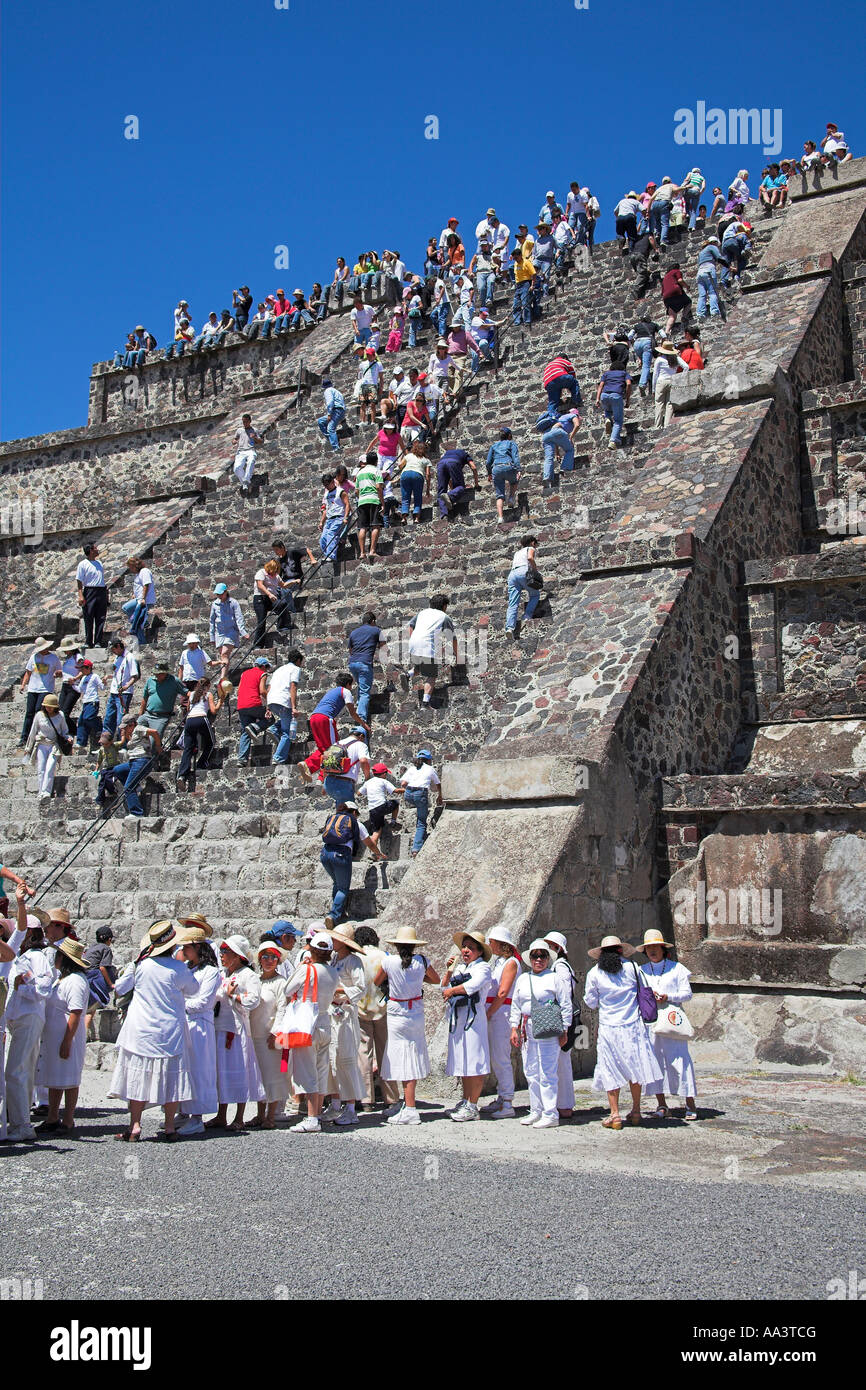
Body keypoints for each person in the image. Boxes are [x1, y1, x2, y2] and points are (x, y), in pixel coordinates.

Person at [109, 920, 200, 1141]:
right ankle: (169, 1126)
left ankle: (135, 1125)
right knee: (171, 1079)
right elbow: (194, 990)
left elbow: (120, 987)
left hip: (141, 1029)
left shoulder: (140, 965)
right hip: (168, 1030)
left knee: (137, 1078)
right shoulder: (178, 968)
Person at [583, 934, 663, 1129]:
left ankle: (615, 1114)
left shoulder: (595, 973)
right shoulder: (633, 968)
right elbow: (644, 992)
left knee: (610, 1069)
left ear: (601, 955)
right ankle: (636, 1111)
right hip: (633, 1026)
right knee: (636, 1068)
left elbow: (590, 1002)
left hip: (610, 1028)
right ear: (621, 950)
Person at [371, 925, 440, 1125]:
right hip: (415, 1011)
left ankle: (409, 1107)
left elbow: (377, 982)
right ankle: (409, 1104)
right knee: (412, 1054)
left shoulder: (389, 961)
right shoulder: (421, 961)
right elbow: (434, 979)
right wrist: (418, 979)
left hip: (397, 1012)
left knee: (401, 1057)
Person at [273, 931, 340, 1133]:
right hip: (324, 1020)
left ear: (312, 949)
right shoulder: (333, 972)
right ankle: (316, 1113)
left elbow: (287, 989)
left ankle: (311, 1118)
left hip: (306, 1022)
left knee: (306, 1071)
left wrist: (302, 967)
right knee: (320, 1070)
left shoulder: (308, 970)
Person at [508, 938, 572, 1128]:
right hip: (527, 1028)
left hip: (548, 1027)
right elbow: (516, 1004)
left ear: (548, 958)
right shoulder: (523, 979)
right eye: (535, 956)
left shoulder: (554, 978)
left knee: (547, 1071)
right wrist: (514, 1027)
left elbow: (565, 1004)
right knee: (531, 1071)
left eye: (542, 955)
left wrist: (565, 1029)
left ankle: (550, 1112)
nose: (538, 959)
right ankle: (536, 1110)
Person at [4, 891, 52, 1142]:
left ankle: (22, 1123)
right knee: (17, 1071)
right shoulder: (22, 957)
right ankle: (17, 1120)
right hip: (18, 1019)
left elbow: (44, 987)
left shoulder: (37, 957)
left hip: (28, 1017)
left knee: (17, 1071)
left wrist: (26, 984)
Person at [205, 935, 265, 1131]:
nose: (222, 955)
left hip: (237, 1031)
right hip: (220, 1026)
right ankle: (221, 1115)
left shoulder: (249, 975)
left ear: (238, 955)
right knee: (221, 1073)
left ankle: (239, 1116)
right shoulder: (223, 974)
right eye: (221, 952)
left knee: (240, 1072)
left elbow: (254, 1000)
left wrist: (234, 996)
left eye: (226, 952)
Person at [639, 929, 698, 1119]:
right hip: (652, 1020)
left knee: (680, 1058)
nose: (652, 951)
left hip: (672, 1018)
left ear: (663, 948)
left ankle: (690, 1103)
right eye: (649, 948)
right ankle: (661, 1104)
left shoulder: (676, 968)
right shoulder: (641, 971)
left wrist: (668, 997)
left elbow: (687, 993)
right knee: (655, 1061)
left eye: (656, 946)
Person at [34, 937, 91, 1135]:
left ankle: (68, 1119)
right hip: (56, 1037)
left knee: (69, 1079)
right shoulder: (63, 979)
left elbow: (75, 1013)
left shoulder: (76, 981)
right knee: (56, 1078)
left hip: (68, 1037)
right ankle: (52, 1116)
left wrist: (67, 1041)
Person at [442, 931, 493, 1122]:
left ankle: (473, 1105)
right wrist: (449, 971)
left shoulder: (483, 968)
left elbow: (472, 986)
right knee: (463, 1062)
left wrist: (452, 990)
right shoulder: (460, 967)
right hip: (459, 1018)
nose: (465, 950)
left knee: (475, 1062)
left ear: (479, 952)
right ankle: (465, 1100)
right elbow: (443, 988)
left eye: (471, 948)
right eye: (464, 947)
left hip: (474, 1020)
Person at [321, 923, 366, 1127]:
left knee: (346, 1059)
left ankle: (350, 1107)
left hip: (345, 1013)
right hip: (332, 1012)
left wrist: (338, 989)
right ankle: (335, 1101)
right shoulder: (334, 959)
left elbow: (360, 987)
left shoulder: (353, 961)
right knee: (332, 1058)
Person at [353, 925, 401, 1110]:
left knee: (363, 1053)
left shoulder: (355, 958)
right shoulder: (385, 957)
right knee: (386, 1052)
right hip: (383, 1008)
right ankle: (391, 1097)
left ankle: (366, 1099)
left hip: (360, 1008)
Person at [319, 800, 385, 927]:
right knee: (343, 888)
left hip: (325, 854)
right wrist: (378, 853)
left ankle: (339, 913)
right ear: (354, 812)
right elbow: (370, 843)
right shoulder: (356, 823)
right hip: (340, 855)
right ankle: (333, 915)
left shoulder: (333, 819)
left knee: (337, 884)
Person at [248, 942, 290, 1129]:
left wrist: (276, 1033)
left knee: (273, 1077)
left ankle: (271, 1115)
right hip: (254, 1034)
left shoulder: (281, 982)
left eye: (273, 957)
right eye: (265, 956)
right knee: (259, 1077)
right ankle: (259, 1113)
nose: (269, 961)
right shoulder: (256, 980)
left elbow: (282, 1008)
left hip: (270, 1036)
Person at [483, 925, 522, 1119]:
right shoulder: (500, 962)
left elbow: (503, 992)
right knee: (496, 1057)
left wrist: (490, 1012)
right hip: (496, 1011)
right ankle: (501, 1096)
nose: (490, 945)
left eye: (492, 941)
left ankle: (507, 1101)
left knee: (501, 1057)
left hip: (502, 1012)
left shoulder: (511, 963)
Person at [300, 676, 367, 782]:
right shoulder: (346, 691)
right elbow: (352, 713)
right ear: (349, 684)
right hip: (325, 718)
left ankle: (308, 766)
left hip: (314, 718)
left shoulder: (332, 692)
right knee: (333, 748)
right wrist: (363, 724)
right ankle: (324, 777)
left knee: (324, 748)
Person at [543, 930, 578, 1116]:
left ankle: (564, 1105)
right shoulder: (558, 966)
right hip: (560, 1019)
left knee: (561, 1063)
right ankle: (561, 1104)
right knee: (558, 1063)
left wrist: (563, 1025)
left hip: (561, 1020)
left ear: (557, 948)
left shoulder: (561, 967)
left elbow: (564, 997)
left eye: (549, 946)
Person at [407, 595, 458, 707]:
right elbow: (453, 638)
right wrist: (457, 654)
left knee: (421, 665)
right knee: (431, 675)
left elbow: (411, 625)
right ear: (444, 606)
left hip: (413, 643)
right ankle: (425, 704)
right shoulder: (444, 617)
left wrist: (413, 639)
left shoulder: (422, 613)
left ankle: (408, 674)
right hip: (427, 645)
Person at [176, 676, 225, 785]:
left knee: (188, 748)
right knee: (211, 742)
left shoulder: (192, 694)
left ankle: (182, 775)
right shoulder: (208, 695)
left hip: (189, 721)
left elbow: (188, 709)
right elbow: (213, 711)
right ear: (208, 686)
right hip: (201, 718)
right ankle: (202, 763)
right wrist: (221, 700)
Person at [110, 714, 162, 817]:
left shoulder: (139, 729)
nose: (124, 729)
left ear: (132, 724)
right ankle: (137, 787)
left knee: (128, 787)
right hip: (133, 761)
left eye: (125, 727)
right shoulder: (132, 733)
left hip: (142, 760)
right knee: (117, 770)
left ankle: (137, 812)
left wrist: (158, 746)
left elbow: (154, 732)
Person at [17, 638, 61, 748]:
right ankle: (24, 737)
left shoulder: (53, 658)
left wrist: (57, 673)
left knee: (38, 711)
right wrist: (23, 685)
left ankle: (38, 734)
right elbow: (28, 672)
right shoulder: (34, 657)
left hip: (45, 688)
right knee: (29, 713)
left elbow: (60, 671)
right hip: (33, 688)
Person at [24, 693, 70, 800]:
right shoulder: (39, 715)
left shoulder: (60, 715)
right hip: (41, 744)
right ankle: (41, 791)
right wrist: (28, 748)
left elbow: (64, 731)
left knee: (50, 768)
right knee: (41, 769)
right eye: (47, 706)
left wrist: (68, 738)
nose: (48, 708)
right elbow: (33, 732)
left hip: (54, 745)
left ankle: (46, 792)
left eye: (51, 707)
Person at [267, 649, 304, 767]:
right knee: (287, 732)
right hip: (283, 701)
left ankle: (273, 729)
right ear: (298, 660)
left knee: (284, 719)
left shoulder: (279, 670)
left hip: (272, 700)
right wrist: (294, 707)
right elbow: (293, 687)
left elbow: (269, 687)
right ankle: (278, 758)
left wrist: (268, 707)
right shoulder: (295, 669)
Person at [357, 761, 402, 854]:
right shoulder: (384, 781)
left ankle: (373, 853)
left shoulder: (368, 782)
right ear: (384, 773)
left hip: (372, 810)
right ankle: (393, 822)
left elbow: (359, 793)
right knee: (396, 803)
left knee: (377, 831)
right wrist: (406, 789)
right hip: (382, 806)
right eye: (386, 774)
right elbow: (395, 791)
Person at [347, 611, 385, 721]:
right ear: (373, 621)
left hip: (353, 663)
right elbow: (383, 646)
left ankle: (359, 706)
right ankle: (361, 719)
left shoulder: (354, 632)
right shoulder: (376, 630)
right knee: (364, 692)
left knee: (361, 686)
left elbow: (351, 650)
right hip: (365, 663)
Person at [209, 583, 248, 683]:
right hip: (219, 633)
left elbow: (239, 618)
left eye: (221, 594)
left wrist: (243, 632)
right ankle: (225, 677)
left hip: (231, 632)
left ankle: (222, 678)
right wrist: (212, 637)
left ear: (226, 592)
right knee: (223, 656)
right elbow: (212, 621)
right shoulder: (215, 604)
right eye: (217, 594)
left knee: (224, 654)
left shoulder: (233, 603)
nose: (219, 596)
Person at [236, 657, 271, 766]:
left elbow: (238, 691)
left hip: (241, 705)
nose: (267, 670)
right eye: (267, 667)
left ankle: (242, 760)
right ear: (263, 666)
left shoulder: (244, 674)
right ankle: (254, 728)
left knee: (245, 731)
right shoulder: (262, 674)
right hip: (254, 703)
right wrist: (269, 700)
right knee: (270, 719)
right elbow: (262, 691)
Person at [138, 662, 188, 738]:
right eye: (156, 673)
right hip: (148, 714)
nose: (157, 675)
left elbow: (187, 693)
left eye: (160, 674)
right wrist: (140, 714)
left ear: (165, 673)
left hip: (161, 717)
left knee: (154, 740)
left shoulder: (174, 681)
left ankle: (156, 749)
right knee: (135, 733)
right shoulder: (150, 681)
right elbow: (145, 698)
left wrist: (199, 695)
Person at [506, 535, 542, 638]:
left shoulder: (517, 553)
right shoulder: (530, 548)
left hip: (512, 575)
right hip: (523, 571)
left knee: (513, 602)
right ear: (532, 543)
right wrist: (535, 571)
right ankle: (526, 616)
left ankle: (509, 628)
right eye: (535, 544)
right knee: (535, 595)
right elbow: (530, 558)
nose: (535, 546)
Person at [83, 925, 117, 1030]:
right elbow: (103, 968)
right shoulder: (106, 949)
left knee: (87, 1008)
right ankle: (83, 1036)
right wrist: (110, 983)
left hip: (84, 977)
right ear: (109, 939)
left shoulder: (92, 948)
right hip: (93, 978)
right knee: (90, 1011)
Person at [103, 637, 139, 735]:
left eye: (113, 649)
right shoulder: (117, 658)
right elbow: (116, 673)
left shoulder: (129, 657)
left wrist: (126, 686)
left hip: (124, 694)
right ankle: (106, 740)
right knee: (108, 718)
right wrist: (107, 676)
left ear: (118, 646)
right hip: (114, 692)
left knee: (121, 720)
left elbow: (135, 676)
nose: (113, 652)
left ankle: (122, 743)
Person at [76, 543, 109, 648]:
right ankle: (88, 641)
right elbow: (79, 580)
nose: (97, 549)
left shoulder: (99, 563)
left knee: (101, 617)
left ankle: (98, 641)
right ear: (90, 550)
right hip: (89, 590)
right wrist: (81, 595)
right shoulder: (83, 564)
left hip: (101, 591)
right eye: (95, 548)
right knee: (89, 616)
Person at [252, 560, 292, 647]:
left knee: (282, 604)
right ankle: (258, 645)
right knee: (261, 622)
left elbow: (283, 585)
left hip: (271, 599)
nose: (274, 573)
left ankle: (281, 625)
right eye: (273, 571)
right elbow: (260, 585)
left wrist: (294, 581)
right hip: (260, 598)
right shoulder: (261, 573)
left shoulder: (276, 576)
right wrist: (269, 594)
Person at [486, 427, 522, 523]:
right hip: (508, 466)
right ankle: (511, 498)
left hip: (496, 469)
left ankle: (500, 517)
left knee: (499, 495)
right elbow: (515, 457)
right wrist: (519, 470)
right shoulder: (511, 443)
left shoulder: (494, 446)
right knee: (514, 481)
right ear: (509, 435)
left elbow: (488, 462)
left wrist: (489, 473)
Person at [541, 406, 582, 488]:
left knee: (548, 457)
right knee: (570, 450)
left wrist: (557, 453)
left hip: (546, 435)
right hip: (557, 432)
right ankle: (565, 468)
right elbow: (577, 425)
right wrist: (571, 437)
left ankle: (547, 476)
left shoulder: (560, 418)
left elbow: (555, 438)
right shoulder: (572, 416)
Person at [652, 339, 689, 429]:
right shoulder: (676, 358)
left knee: (659, 403)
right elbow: (686, 367)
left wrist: (653, 388)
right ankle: (667, 425)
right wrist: (680, 378)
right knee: (669, 404)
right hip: (672, 381)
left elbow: (655, 374)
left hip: (661, 382)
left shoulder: (660, 359)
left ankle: (658, 425)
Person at [354, 453, 384, 563]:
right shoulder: (376, 471)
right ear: (376, 461)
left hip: (361, 502)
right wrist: (382, 503)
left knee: (362, 527)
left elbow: (356, 491)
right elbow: (379, 488)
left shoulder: (360, 473)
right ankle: (372, 550)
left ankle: (362, 553)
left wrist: (362, 497)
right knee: (376, 525)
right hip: (373, 499)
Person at [596, 364, 632, 450]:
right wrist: (627, 399)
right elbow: (629, 384)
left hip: (604, 395)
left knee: (608, 410)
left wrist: (597, 398)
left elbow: (601, 385)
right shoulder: (624, 373)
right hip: (616, 395)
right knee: (618, 421)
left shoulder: (606, 374)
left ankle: (607, 418)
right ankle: (613, 441)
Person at [436, 446, 478, 519]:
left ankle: (444, 513)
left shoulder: (446, 454)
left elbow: (447, 477)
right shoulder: (465, 454)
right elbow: (474, 467)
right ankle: (449, 497)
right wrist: (476, 484)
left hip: (440, 464)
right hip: (453, 462)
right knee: (461, 487)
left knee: (441, 491)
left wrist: (453, 490)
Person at [73, 659, 105, 752]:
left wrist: (104, 682)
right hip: (86, 702)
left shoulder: (94, 676)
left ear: (88, 668)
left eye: (82, 668)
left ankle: (99, 728)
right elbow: (80, 689)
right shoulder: (83, 678)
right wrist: (72, 684)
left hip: (93, 701)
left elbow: (102, 687)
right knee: (81, 721)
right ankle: (81, 742)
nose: (81, 671)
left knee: (88, 718)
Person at [123, 556, 156, 645]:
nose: (130, 570)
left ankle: (141, 623)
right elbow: (139, 586)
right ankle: (142, 625)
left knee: (126, 608)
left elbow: (146, 585)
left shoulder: (144, 571)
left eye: (131, 567)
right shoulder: (139, 574)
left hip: (144, 600)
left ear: (135, 565)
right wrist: (135, 594)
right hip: (139, 599)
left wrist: (143, 599)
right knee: (137, 621)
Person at [318, 471, 351, 561]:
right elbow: (326, 509)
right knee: (323, 538)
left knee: (331, 535)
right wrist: (322, 522)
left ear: (332, 482)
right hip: (329, 519)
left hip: (339, 517)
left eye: (327, 485)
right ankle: (328, 555)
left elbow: (347, 504)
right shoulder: (326, 494)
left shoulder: (341, 491)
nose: (326, 487)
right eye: (325, 485)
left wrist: (346, 517)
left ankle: (331, 556)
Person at [396, 440, 430, 525]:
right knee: (417, 497)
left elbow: (400, 466)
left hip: (405, 474)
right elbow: (428, 475)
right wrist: (428, 489)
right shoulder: (426, 460)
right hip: (418, 476)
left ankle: (404, 518)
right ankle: (416, 519)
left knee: (405, 497)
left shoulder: (409, 455)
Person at [542, 352, 581, 416]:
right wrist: (571, 389)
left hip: (548, 382)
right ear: (565, 358)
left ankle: (551, 415)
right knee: (574, 382)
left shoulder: (550, 364)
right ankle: (576, 401)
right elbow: (572, 375)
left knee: (553, 401)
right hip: (560, 376)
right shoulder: (565, 361)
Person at [233, 413, 263, 495]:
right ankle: (245, 482)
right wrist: (234, 441)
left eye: (246, 422)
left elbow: (261, 441)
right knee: (236, 468)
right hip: (241, 451)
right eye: (243, 422)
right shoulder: (239, 430)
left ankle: (246, 479)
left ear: (249, 421)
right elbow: (234, 439)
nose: (244, 423)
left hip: (250, 450)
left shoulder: (254, 430)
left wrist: (255, 438)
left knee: (251, 461)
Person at [661, 262, 691, 336]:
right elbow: (680, 280)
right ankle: (684, 316)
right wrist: (687, 286)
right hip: (675, 292)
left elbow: (662, 291)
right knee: (688, 302)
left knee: (672, 316)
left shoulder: (665, 277)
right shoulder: (676, 271)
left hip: (666, 298)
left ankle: (667, 331)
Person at [317, 378, 346, 453]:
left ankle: (335, 447)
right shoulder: (337, 391)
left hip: (335, 411)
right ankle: (330, 437)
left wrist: (329, 414)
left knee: (330, 429)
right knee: (320, 421)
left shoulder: (328, 391)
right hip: (341, 411)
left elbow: (330, 402)